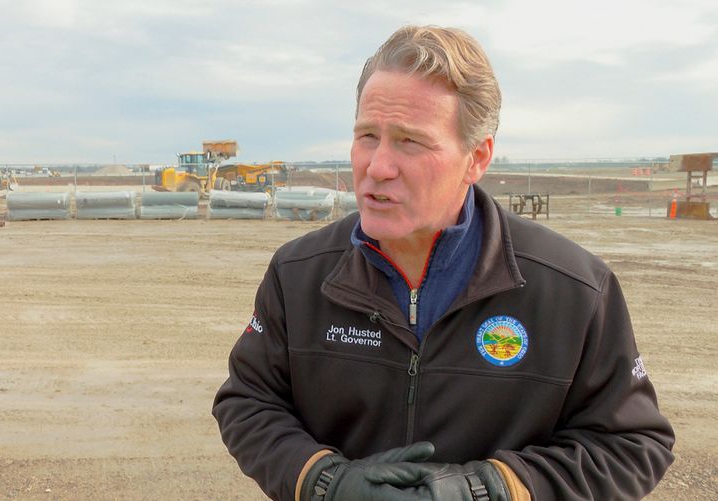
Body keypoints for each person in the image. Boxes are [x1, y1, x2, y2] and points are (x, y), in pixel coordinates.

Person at [212, 25, 674, 501]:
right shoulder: (299, 274)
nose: (378, 167)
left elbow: (632, 444)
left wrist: (496, 488)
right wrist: (324, 480)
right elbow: (249, 401)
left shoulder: (573, 290)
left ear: (476, 158)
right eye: (368, 135)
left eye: (410, 142)